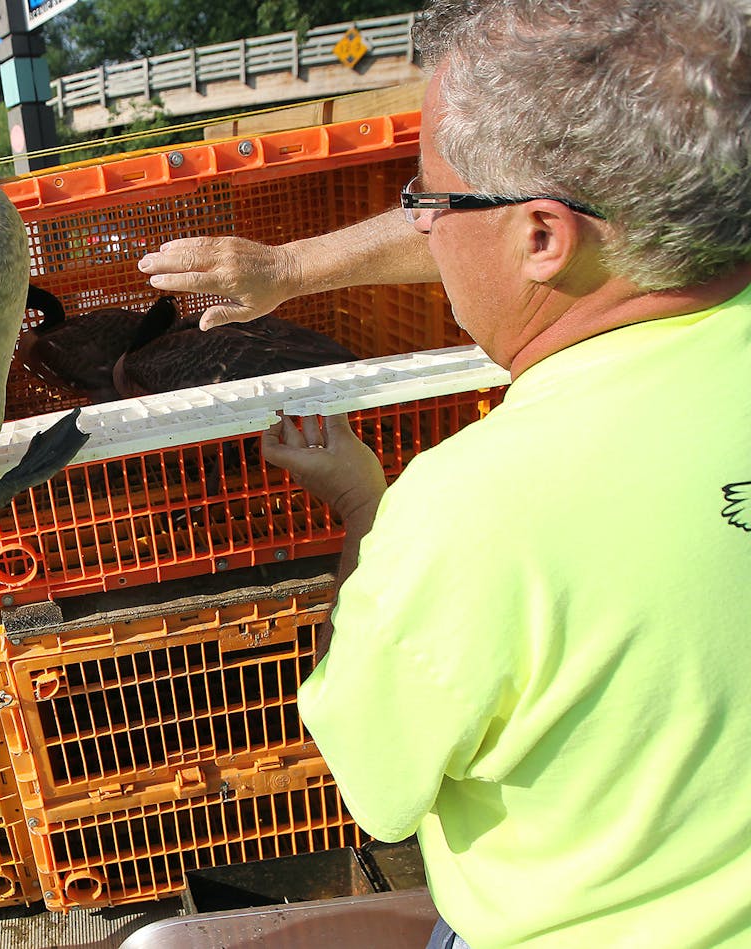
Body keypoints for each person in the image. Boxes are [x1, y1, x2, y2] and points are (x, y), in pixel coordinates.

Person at [140, 1, 751, 946]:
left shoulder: (469, 509)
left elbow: (375, 784)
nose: (416, 228)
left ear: (545, 237)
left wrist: (361, 505)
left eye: (423, 199)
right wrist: (291, 267)